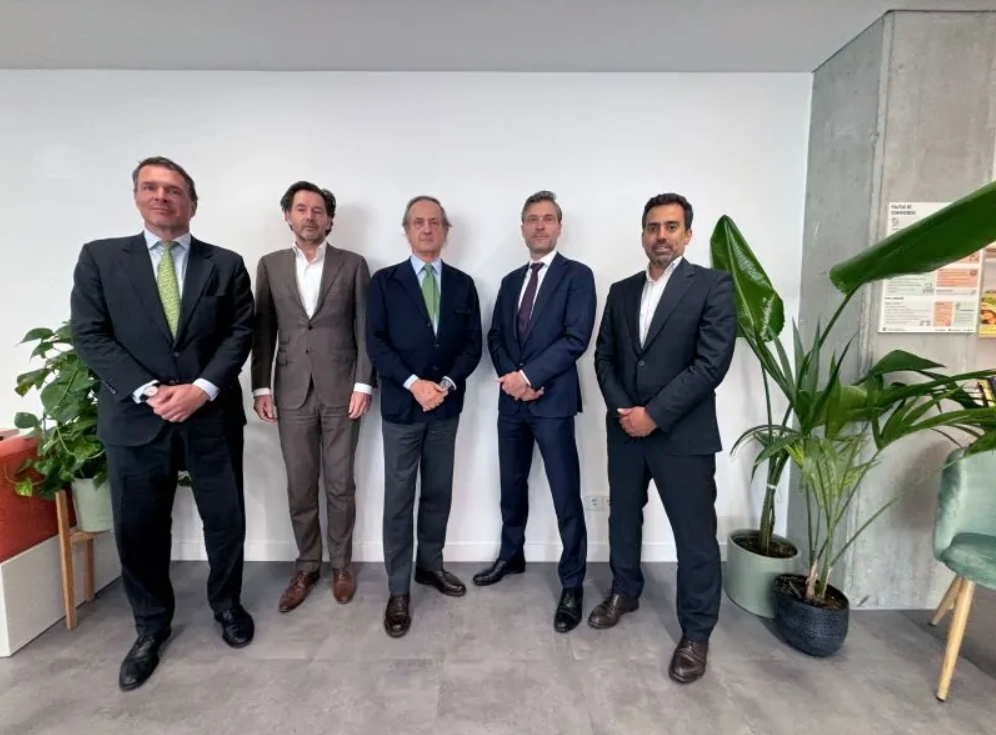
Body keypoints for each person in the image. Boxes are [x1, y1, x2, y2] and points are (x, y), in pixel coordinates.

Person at [69, 156, 255, 691]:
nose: (161, 197)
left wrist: (200, 389)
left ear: (192, 203)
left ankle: (227, 605)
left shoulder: (225, 263)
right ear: (136, 198)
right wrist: (150, 390)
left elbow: (240, 331)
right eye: (150, 187)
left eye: (173, 190)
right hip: (136, 417)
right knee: (140, 527)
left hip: (209, 415)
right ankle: (150, 627)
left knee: (226, 520)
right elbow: (90, 333)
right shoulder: (102, 258)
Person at [589, 192, 737, 684]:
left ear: (687, 235)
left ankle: (696, 632)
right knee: (623, 517)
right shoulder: (622, 291)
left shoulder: (712, 286)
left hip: (682, 435)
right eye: (653, 227)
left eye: (671, 227)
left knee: (694, 538)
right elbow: (604, 357)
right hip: (625, 430)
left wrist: (653, 415)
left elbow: (710, 364)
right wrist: (624, 411)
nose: (661, 236)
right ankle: (624, 590)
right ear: (643, 235)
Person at [473, 190, 596, 633]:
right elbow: (496, 336)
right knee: (511, 485)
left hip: (553, 402)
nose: (540, 225)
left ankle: (572, 582)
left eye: (548, 218)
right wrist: (513, 378)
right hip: (512, 403)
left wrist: (529, 377)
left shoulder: (578, 276)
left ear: (559, 227)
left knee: (565, 493)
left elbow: (575, 338)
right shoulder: (510, 282)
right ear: (522, 228)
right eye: (532, 219)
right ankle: (511, 555)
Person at [250, 181, 374, 612]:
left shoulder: (353, 265)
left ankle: (341, 564)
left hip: (343, 390)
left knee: (340, 484)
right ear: (288, 216)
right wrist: (261, 386)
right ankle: (307, 565)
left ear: (329, 220)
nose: (309, 216)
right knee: (300, 484)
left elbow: (365, 328)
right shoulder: (270, 266)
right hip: (290, 391)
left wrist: (364, 383)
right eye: (301, 209)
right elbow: (263, 329)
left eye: (318, 210)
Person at [366, 195, 482, 638]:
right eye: (419, 222)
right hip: (402, 408)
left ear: (446, 230)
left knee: (438, 491)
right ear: (406, 230)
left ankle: (429, 565)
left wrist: (445, 384)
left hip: (445, 407)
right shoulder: (385, 282)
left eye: (435, 222)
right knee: (399, 498)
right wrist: (414, 383)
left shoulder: (463, 284)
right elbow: (376, 343)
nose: (428, 229)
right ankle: (398, 588)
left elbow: (472, 344)